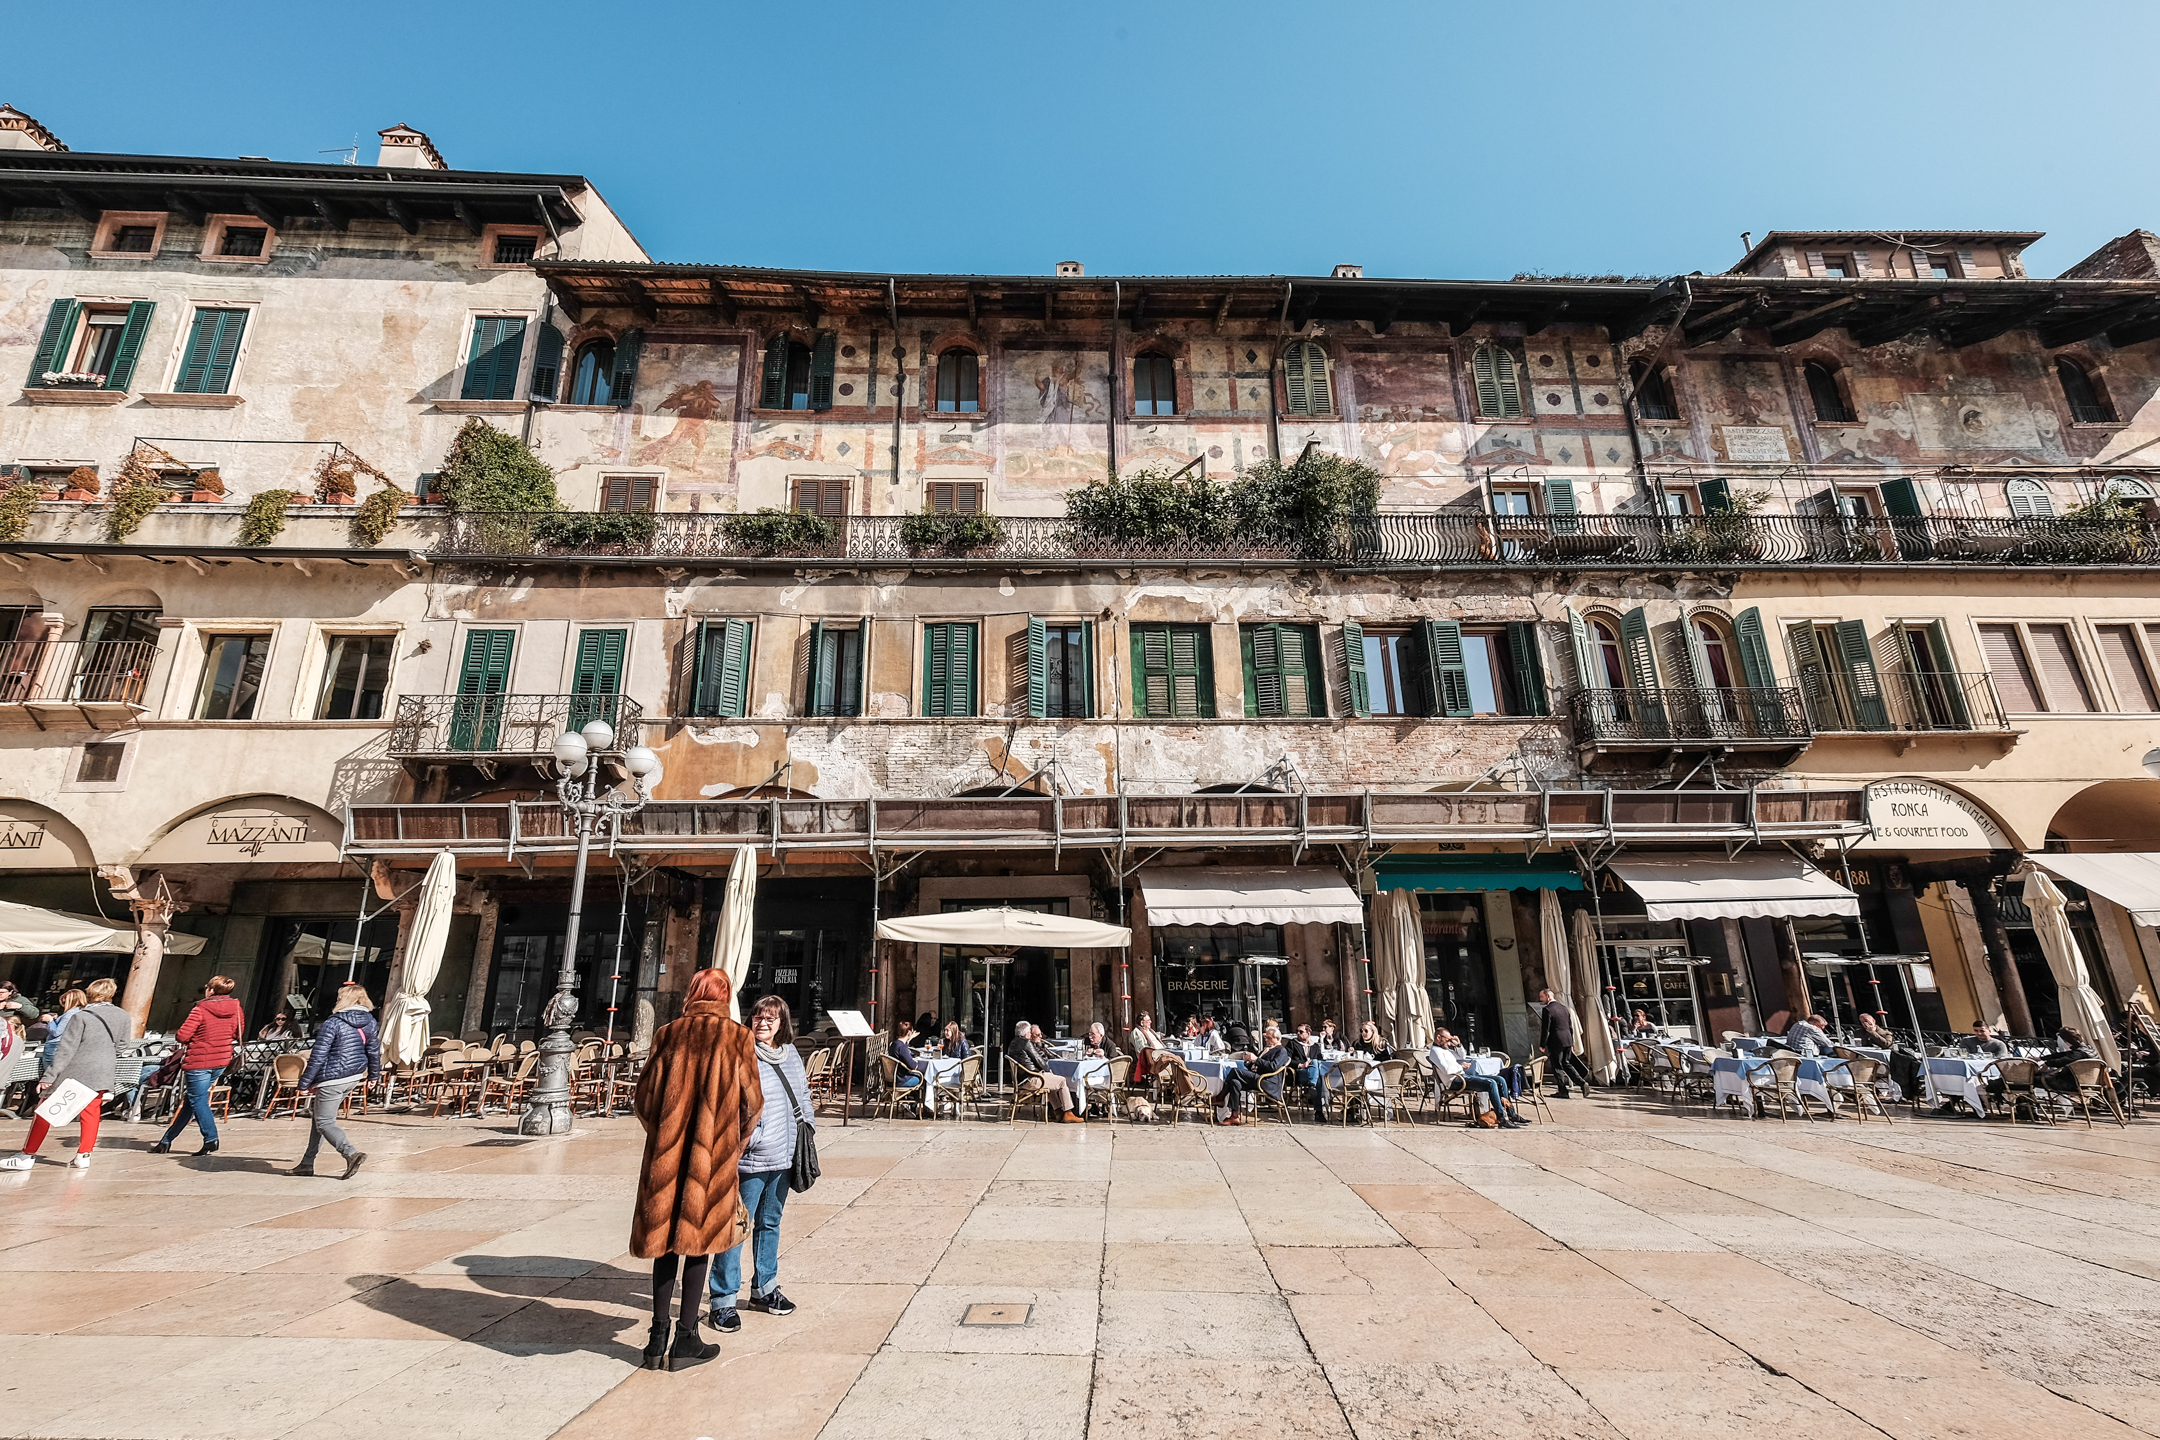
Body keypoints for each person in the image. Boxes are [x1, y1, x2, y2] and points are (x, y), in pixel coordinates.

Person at [632, 967, 761, 1372]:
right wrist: (730, 1143)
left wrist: (665, 1137)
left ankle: (656, 1338)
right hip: (711, 1159)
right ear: (725, 996)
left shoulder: (667, 1033)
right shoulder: (738, 1037)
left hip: (666, 1159)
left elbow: (643, 1099)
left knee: (665, 1244)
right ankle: (686, 1337)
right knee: (698, 1244)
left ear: (692, 993)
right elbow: (753, 1103)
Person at [710, 994, 814, 1332]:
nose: (762, 1023)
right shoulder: (741, 1053)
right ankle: (723, 1300)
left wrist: (807, 1127)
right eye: (757, 1017)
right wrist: (749, 1138)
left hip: (785, 1155)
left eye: (770, 1018)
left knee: (771, 1223)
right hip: (751, 1158)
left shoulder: (791, 1054)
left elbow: (803, 1095)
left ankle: (765, 1288)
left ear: (782, 1023)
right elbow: (728, 1101)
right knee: (736, 1227)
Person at [2, 977, 127, 1169]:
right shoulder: (124, 1016)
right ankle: (84, 1155)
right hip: (103, 1070)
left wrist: (49, 1076)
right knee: (91, 1112)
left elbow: (66, 1049)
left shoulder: (81, 1016)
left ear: (90, 993)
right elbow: (122, 1046)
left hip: (75, 1069)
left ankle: (27, 1155)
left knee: (45, 1110)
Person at [289, 982, 379, 1179]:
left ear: (344, 999)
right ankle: (306, 1163)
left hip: (333, 1077)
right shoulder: (370, 1021)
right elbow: (373, 1051)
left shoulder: (333, 1023)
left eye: (339, 997)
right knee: (319, 1119)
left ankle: (351, 1154)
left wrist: (304, 1083)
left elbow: (318, 1056)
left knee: (324, 1122)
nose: (336, 1000)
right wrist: (373, 1075)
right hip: (353, 1076)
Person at [149, 975, 245, 1157]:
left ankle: (211, 1138)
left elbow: (182, 1036)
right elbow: (238, 1033)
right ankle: (166, 1141)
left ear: (211, 990)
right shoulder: (236, 1008)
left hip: (199, 1060)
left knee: (197, 1099)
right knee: (192, 1101)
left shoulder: (200, 1009)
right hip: (221, 1060)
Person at [1008, 1020, 1081, 1122]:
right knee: (1062, 1081)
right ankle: (1068, 1113)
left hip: (1020, 1080)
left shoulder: (1012, 1044)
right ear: (1026, 1033)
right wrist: (1049, 1070)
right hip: (1031, 1079)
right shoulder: (1026, 1043)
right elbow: (1040, 1061)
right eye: (1029, 1032)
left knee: (1051, 1081)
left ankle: (1058, 1112)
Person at [1535, 988, 1588, 1099]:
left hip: (1556, 1041)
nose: (1541, 999)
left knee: (1557, 1066)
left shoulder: (1547, 1010)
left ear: (1548, 996)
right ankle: (1582, 1082)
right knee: (1566, 1063)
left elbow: (1546, 1029)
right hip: (1567, 1040)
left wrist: (1542, 1044)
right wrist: (1571, 1042)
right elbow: (1570, 1027)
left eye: (1542, 997)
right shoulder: (1564, 1008)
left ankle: (1563, 1091)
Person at [39, 988, 84, 1075]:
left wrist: (50, 1021)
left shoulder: (70, 1014)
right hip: (69, 1045)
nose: (63, 1005)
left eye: (64, 1002)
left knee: (50, 1075)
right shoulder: (81, 1013)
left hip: (55, 1046)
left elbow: (56, 1032)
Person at [888, 1020, 928, 1110]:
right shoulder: (902, 1047)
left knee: (920, 1075)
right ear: (909, 1032)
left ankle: (909, 1101)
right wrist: (922, 1064)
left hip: (894, 1078)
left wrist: (909, 1038)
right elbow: (913, 1066)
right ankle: (915, 1106)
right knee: (925, 1078)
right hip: (902, 1079)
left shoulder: (894, 1044)